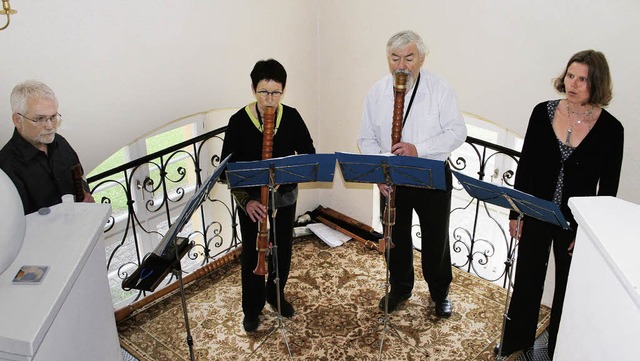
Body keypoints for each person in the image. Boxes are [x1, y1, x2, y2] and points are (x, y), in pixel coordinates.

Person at [497, 50, 624, 359]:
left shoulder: (612, 130)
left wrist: (588, 233)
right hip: (537, 213)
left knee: (568, 291)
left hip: (574, 226)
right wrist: (517, 212)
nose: (573, 84)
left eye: (582, 79)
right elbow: (525, 167)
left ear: (597, 84)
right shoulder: (542, 112)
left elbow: (607, 190)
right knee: (527, 282)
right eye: (570, 76)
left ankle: (558, 351)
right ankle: (515, 346)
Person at [357, 30, 467, 318]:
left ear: (422, 58)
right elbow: (365, 139)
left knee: (436, 240)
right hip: (392, 179)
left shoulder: (440, 89)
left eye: (409, 57)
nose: (401, 65)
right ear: (388, 59)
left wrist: (420, 148)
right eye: (395, 58)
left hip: (431, 176)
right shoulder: (377, 91)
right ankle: (401, 287)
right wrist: (378, 174)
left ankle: (440, 292)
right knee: (395, 237)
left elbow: (458, 132)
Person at [220, 59, 316, 332]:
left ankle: (276, 296)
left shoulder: (292, 116)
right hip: (252, 204)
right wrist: (247, 201)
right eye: (264, 92)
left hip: (283, 198)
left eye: (276, 92)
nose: (270, 99)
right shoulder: (238, 122)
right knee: (252, 254)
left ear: (284, 90)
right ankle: (251, 308)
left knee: (282, 248)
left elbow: (308, 155)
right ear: (253, 89)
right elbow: (227, 171)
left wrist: (286, 174)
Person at [0, 80, 94, 215]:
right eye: (39, 119)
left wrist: (84, 193)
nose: (50, 126)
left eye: (53, 117)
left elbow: (79, 178)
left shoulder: (60, 143)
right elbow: (16, 223)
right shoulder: (5, 168)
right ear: (18, 120)